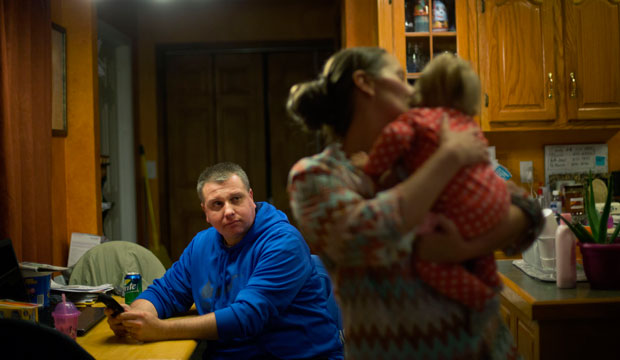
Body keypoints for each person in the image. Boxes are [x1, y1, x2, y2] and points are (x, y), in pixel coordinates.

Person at [286, 47, 543, 359]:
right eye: (400, 77)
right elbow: (367, 233)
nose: (412, 90)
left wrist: (463, 248)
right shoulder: (316, 175)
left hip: (491, 349)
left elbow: (527, 209)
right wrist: (451, 157)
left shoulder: (425, 150)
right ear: (365, 83)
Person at [105, 162, 343, 360]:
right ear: (205, 213)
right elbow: (165, 292)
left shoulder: (283, 242)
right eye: (217, 204)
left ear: (251, 197)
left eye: (236, 199)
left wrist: (160, 330)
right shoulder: (201, 244)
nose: (228, 211)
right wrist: (133, 317)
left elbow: (247, 316)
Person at [362, 53, 508, 311]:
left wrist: (372, 169)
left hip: (461, 211)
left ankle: (479, 299)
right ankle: (489, 282)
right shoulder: (468, 124)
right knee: (479, 256)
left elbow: (394, 136)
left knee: (426, 262)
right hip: (497, 204)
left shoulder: (417, 119)